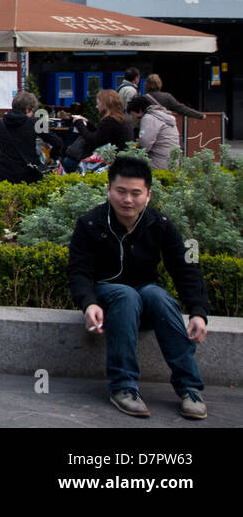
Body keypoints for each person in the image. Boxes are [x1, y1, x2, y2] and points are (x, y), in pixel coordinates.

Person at [67, 155, 209, 419]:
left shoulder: (161, 225)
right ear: (108, 189)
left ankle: (190, 387)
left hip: (145, 299)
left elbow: (185, 269)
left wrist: (199, 311)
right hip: (108, 299)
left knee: (157, 294)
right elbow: (79, 272)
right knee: (125, 294)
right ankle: (123, 387)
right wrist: (89, 303)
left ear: (148, 195)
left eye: (136, 193)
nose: (127, 200)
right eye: (120, 191)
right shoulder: (90, 223)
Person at [0, 91, 63, 185]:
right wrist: (53, 158)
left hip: (4, 173)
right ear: (28, 109)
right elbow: (58, 142)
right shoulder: (35, 123)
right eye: (32, 112)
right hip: (29, 174)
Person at [68, 89, 133, 169]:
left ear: (104, 104)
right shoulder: (120, 119)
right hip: (121, 161)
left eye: (98, 103)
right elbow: (102, 134)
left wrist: (79, 123)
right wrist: (88, 123)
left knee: (69, 162)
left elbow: (93, 140)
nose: (97, 106)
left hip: (111, 163)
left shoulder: (109, 120)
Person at [125, 95, 179, 170]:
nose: (132, 118)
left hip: (158, 165)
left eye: (132, 114)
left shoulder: (149, 118)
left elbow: (144, 145)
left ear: (140, 111)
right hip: (171, 163)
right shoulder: (163, 116)